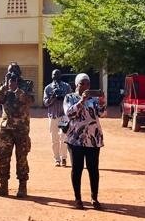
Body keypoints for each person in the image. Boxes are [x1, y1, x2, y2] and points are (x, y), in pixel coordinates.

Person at [63, 73, 106, 209]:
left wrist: (102, 102)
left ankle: (94, 198)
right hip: (76, 139)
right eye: (82, 83)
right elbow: (69, 113)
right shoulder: (69, 97)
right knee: (77, 169)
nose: (85, 86)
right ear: (76, 85)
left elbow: (102, 114)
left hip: (93, 139)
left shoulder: (93, 99)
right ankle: (78, 199)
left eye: (87, 83)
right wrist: (81, 101)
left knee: (93, 169)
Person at [0, 66, 33, 197]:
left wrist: (17, 90)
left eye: (15, 71)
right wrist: (5, 86)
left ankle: (22, 187)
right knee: (3, 157)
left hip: (21, 129)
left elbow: (29, 100)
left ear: (20, 73)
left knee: (21, 158)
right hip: (6, 129)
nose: (12, 74)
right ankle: (3, 185)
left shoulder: (26, 85)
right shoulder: (4, 86)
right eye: (10, 71)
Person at [43, 69, 72, 166]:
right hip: (53, 116)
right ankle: (57, 159)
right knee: (54, 139)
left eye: (58, 74)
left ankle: (64, 158)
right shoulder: (48, 88)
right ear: (52, 76)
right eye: (54, 74)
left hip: (64, 116)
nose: (56, 76)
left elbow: (71, 100)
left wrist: (63, 96)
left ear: (61, 75)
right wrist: (53, 97)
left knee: (64, 138)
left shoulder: (67, 86)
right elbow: (46, 103)